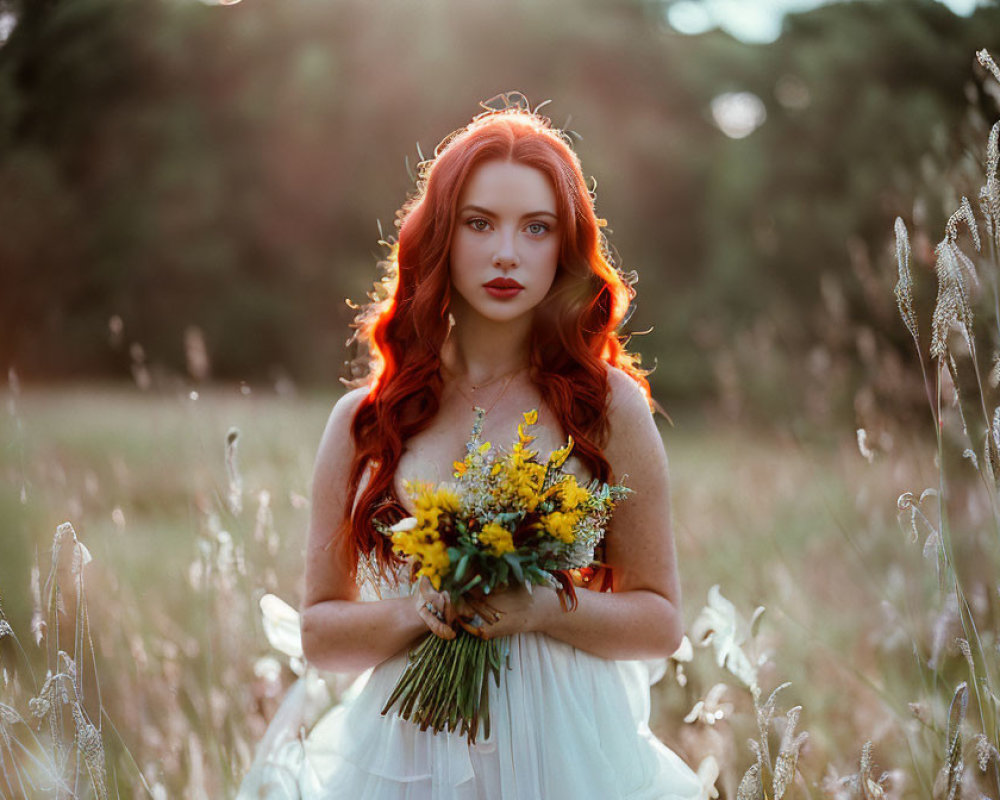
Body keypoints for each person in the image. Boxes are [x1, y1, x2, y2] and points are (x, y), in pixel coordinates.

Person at [239, 97, 704, 799]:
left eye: (536, 228)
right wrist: (415, 610)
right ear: (441, 238)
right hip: (407, 754)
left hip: (570, 756)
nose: (507, 253)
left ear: (566, 246)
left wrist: (543, 608)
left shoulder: (608, 406)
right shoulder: (366, 420)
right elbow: (319, 633)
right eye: (479, 223)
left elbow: (661, 622)